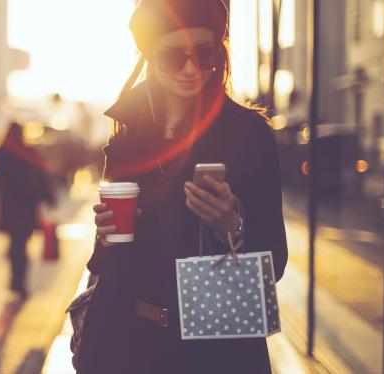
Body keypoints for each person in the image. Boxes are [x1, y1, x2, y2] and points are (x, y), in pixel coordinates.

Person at [79, 0, 289, 372]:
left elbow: (277, 259)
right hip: (134, 345)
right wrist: (107, 232)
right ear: (149, 55)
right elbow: (104, 264)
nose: (191, 69)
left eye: (204, 53)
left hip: (218, 350)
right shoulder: (127, 136)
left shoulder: (248, 135)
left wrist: (232, 225)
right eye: (174, 57)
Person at [0, 122, 55, 297]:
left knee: (15, 245)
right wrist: (48, 197)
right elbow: (40, 178)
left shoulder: (0, 152)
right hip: (25, 208)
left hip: (9, 208)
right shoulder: (27, 152)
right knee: (21, 245)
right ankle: (19, 282)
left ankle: (15, 281)